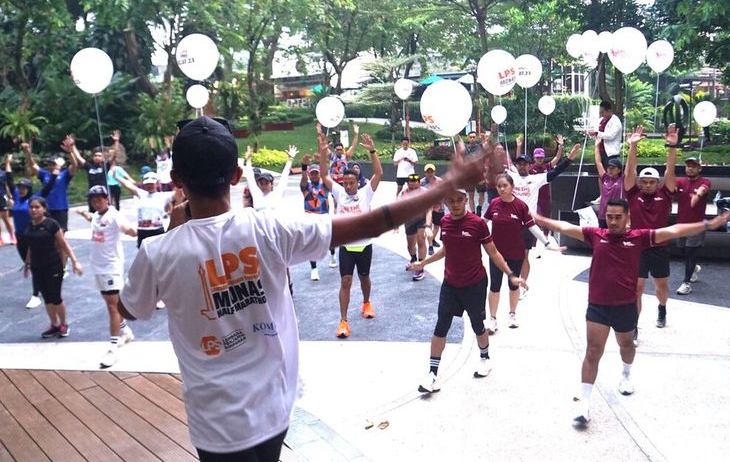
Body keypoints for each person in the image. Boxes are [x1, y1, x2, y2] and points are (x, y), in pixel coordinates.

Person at [117, 116, 489, 460]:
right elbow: (372, 224)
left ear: (177, 180)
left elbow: (131, 309)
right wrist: (450, 183)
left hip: (215, 428)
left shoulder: (157, 252)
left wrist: (172, 231)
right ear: (235, 176)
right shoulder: (268, 229)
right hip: (276, 410)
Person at [532, 199, 730, 426]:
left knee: (626, 345)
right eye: (610, 217)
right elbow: (566, 227)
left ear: (628, 217)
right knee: (593, 351)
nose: (613, 221)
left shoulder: (640, 237)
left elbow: (673, 230)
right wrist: (540, 219)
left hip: (625, 305)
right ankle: (584, 403)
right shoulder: (597, 235)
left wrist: (707, 224)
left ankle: (626, 374)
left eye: (618, 217)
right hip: (597, 305)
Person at [408, 188, 527, 393]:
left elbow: (493, 252)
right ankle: (432, 375)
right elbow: (446, 250)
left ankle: (485, 358)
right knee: (440, 327)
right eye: (451, 200)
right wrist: (423, 263)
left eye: (459, 200)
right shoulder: (445, 222)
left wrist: (510, 274)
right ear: (446, 202)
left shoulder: (478, 224)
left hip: (474, 284)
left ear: (465, 200)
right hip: (450, 284)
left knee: (477, 325)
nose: (455, 204)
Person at [321, 132, 383, 337]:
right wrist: (323, 153)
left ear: (358, 182)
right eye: (345, 183)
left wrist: (373, 150)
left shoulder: (366, 193)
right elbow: (324, 176)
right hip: (346, 247)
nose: (347, 186)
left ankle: (366, 303)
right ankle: (343, 321)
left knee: (364, 277)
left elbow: (379, 174)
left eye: (351, 183)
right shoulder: (338, 192)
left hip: (364, 245)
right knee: (346, 281)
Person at [483, 173, 557, 331]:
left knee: (513, 285)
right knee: (494, 285)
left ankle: (512, 314)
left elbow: (532, 226)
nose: (502, 189)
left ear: (512, 187)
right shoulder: (494, 203)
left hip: (515, 252)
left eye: (505, 186)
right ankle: (492, 319)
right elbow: (483, 223)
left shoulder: (520, 206)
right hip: (496, 254)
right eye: (499, 186)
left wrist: (546, 242)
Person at [507, 144, 580, 297]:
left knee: (524, 255)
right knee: (512, 255)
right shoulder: (511, 177)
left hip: (527, 224)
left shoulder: (537, 179)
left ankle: (522, 285)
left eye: (524, 164)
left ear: (529, 165)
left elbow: (555, 172)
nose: (522, 166)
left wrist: (570, 158)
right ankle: (513, 281)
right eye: (519, 163)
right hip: (511, 223)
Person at [76, 185, 137, 367]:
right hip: (98, 268)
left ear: (106, 199)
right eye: (93, 200)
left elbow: (128, 229)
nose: (96, 202)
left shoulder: (114, 215)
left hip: (111, 268)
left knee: (113, 308)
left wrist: (138, 231)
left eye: (99, 199)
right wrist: (81, 213)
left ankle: (113, 348)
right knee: (109, 304)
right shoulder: (96, 215)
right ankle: (125, 332)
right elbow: (91, 218)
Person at [624, 125, 677, 336]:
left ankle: (662, 308)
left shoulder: (665, 194)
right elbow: (630, 172)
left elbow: (670, 171)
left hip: (660, 248)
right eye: (643, 182)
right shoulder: (633, 194)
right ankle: (634, 326)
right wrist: (633, 147)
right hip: (638, 248)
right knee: (636, 289)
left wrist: (672, 146)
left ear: (658, 183)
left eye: (651, 182)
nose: (646, 185)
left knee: (661, 287)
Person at [23, 197, 83, 338]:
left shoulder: (52, 224)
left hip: (53, 266)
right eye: (31, 207)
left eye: (37, 207)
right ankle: (54, 324)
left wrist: (75, 261)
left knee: (55, 297)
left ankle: (63, 324)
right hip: (37, 267)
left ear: (44, 209)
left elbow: (64, 244)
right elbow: (31, 248)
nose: (34, 210)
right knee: (47, 298)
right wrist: (27, 264)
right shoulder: (30, 225)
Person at [5, 154, 58, 308]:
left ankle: (35, 295)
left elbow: (48, 187)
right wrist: (8, 163)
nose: (21, 190)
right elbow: (9, 178)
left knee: (35, 265)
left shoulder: (34, 199)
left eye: (24, 187)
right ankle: (41, 286)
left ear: (28, 189)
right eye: (19, 187)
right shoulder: (16, 196)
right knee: (29, 264)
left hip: (34, 236)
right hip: (20, 237)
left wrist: (56, 170)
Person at [674, 156, 711, 295]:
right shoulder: (681, 182)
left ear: (699, 168)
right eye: (688, 166)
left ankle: (686, 283)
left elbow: (703, 189)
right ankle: (694, 268)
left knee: (690, 252)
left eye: (693, 166)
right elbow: (670, 190)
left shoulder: (704, 182)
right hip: (681, 224)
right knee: (683, 250)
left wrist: (697, 196)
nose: (690, 168)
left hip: (696, 226)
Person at [22, 138, 78, 231]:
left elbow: (74, 165)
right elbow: (33, 166)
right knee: (47, 231)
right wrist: (28, 153)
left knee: (61, 231)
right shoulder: (44, 174)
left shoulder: (64, 174)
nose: (51, 166)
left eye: (53, 164)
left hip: (61, 207)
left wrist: (70, 152)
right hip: (47, 208)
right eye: (49, 164)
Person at [115, 171, 173, 249]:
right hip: (142, 231)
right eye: (147, 184)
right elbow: (128, 185)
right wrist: (116, 176)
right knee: (143, 256)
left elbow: (180, 194)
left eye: (151, 184)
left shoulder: (164, 196)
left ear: (157, 184)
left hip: (157, 230)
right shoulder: (141, 194)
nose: (149, 186)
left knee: (158, 255)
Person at [299, 154, 334, 281]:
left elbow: (327, 174)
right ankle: (314, 269)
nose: (314, 175)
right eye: (312, 173)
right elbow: (303, 178)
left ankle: (333, 255)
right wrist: (304, 166)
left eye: (316, 173)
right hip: (310, 217)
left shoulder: (325, 186)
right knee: (312, 242)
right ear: (309, 174)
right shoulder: (305, 186)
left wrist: (322, 160)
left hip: (323, 216)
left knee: (330, 239)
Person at [399, 173, 433, 281]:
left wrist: (427, 225)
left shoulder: (425, 193)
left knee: (421, 240)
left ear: (420, 183)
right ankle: (413, 258)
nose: (413, 189)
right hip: (409, 220)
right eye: (411, 187)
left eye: (415, 187)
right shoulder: (404, 194)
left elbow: (429, 210)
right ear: (407, 184)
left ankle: (420, 266)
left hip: (422, 219)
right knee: (410, 245)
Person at [244, 145, 297, 212]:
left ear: (271, 184)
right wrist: (248, 160)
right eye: (261, 183)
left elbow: (284, 176)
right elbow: (250, 176)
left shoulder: (276, 194)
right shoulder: (256, 193)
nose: (264, 186)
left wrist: (290, 159)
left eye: (266, 183)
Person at [593, 137, 624, 228]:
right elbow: (598, 162)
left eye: (613, 168)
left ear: (619, 170)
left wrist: (632, 146)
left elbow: (631, 168)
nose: (610, 170)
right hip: (603, 215)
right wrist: (596, 146)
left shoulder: (622, 180)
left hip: (616, 216)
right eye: (609, 168)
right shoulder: (605, 178)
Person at [421, 163, 444, 255]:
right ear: (425, 172)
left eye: (431, 171)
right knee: (428, 226)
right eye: (428, 172)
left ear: (434, 172)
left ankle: (432, 239)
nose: (430, 173)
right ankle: (430, 245)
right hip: (427, 208)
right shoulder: (422, 182)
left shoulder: (439, 181)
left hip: (439, 207)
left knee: (437, 226)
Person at [465, 131, 486, 215]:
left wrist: (483, 138)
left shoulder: (480, 147)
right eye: (470, 137)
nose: (472, 139)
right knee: (471, 195)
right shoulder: (465, 148)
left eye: (474, 137)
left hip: (480, 174)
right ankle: (473, 213)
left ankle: (479, 208)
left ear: (476, 138)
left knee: (482, 194)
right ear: (468, 138)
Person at [0, 157, 16, 245]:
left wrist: (10, 197)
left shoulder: (2, 174)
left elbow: (7, 186)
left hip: (2, 197)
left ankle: (12, 236)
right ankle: (0, 238)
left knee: (5, 218)